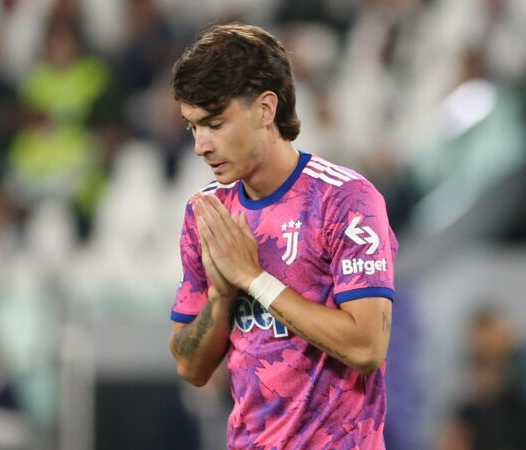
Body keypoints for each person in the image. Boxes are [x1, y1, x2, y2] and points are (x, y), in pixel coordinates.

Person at [167, 23, 398, 449]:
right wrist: (222, 296)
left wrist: (254, 279)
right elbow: (190, 367)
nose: (201, 145)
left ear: (265, 109)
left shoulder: (344, 199)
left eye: (215, 123)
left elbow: (367, 348)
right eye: (192, 127)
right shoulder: (209, 214)